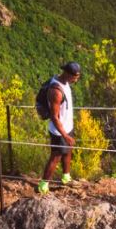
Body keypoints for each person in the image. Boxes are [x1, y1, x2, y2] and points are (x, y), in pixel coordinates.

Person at [37, 62, 81, 194]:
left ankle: (66, 177)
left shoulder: (65, 82)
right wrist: (65, 135)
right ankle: (43, 185)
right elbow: (54, 117)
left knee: (68, 151)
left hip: (67, 127)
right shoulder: (56, 91)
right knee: (56, 157)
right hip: (59, 131)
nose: (76, 79)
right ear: (67, 74)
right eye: (75, 76)